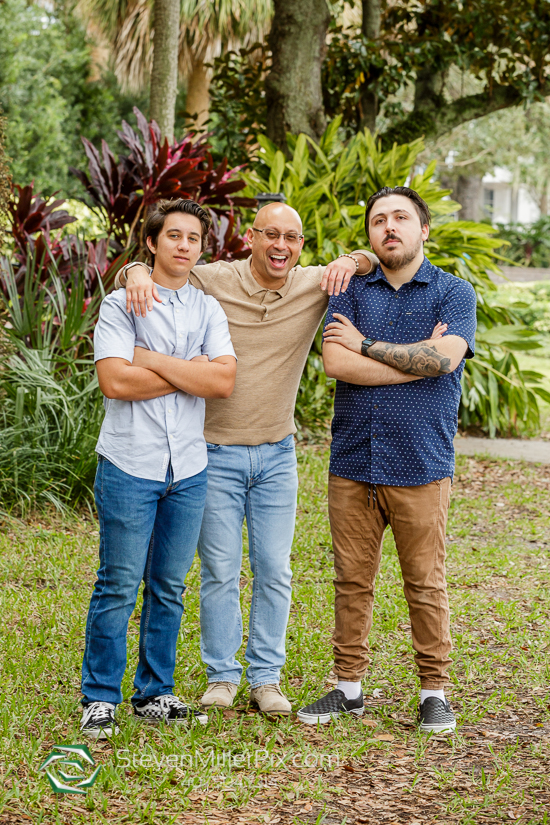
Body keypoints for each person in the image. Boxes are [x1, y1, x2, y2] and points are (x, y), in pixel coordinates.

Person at [114, 203, 378, 715]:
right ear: (251, 238)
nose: (281, 246)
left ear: (302, 245)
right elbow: (166, 263)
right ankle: (222, 676)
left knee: (274, 568)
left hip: (278, 453)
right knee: (219, 569)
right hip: (214, 451)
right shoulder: (215, 280)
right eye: (271, 235)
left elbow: (370, 261)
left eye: (293, 238)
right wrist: (136, 270)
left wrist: (355, 257)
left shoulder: (313, 284)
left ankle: (266, 678)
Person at [297, 187, 477, 733]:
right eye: (379, 220)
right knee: (352, 579)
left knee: (424, 581)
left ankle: (433, 692)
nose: (389, 226)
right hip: (353, 460)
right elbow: (334, 362)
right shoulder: (350, 289)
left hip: (421, 463)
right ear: (371, 235)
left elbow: (445, 360)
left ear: (424, 229)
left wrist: (368, 346)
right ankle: (348, 688)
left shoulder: (454, 293)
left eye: (401, 217)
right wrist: (416, 360)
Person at [80, 199, 237, 739]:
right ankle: (100, 696)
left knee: (168, 585)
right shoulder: (120, 304)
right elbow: (116, 383)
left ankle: (154, 692)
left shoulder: (207, 310)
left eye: (193, 238)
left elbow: (222, 383)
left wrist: (149, 359)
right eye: (174, 235)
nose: (184, 245)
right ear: (152, 243)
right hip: (130, 460)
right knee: (119, 584)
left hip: (188, 468)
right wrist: (188, 370)